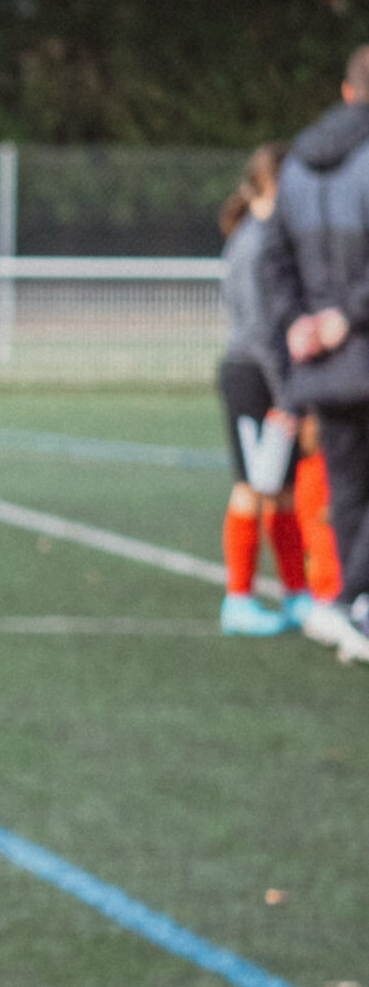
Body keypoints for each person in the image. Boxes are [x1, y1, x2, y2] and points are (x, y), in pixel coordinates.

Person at [260, 45, 369, 663]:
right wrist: (343, 318)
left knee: (350, 482)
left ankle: (346, 606)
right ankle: (356, 599)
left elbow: (271, 260)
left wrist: (297, 321)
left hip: (322, 363)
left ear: (346, 91)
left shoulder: (298, 161)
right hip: (359, 342)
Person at [214, 143, 310, 635]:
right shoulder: (255, 245)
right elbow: (260, 333)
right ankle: (239, 599)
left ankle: (297, 594)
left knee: (284, 491)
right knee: (253, 488)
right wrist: (287, 397)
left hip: (269, 377)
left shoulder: (267, 238)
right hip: (253, 377)